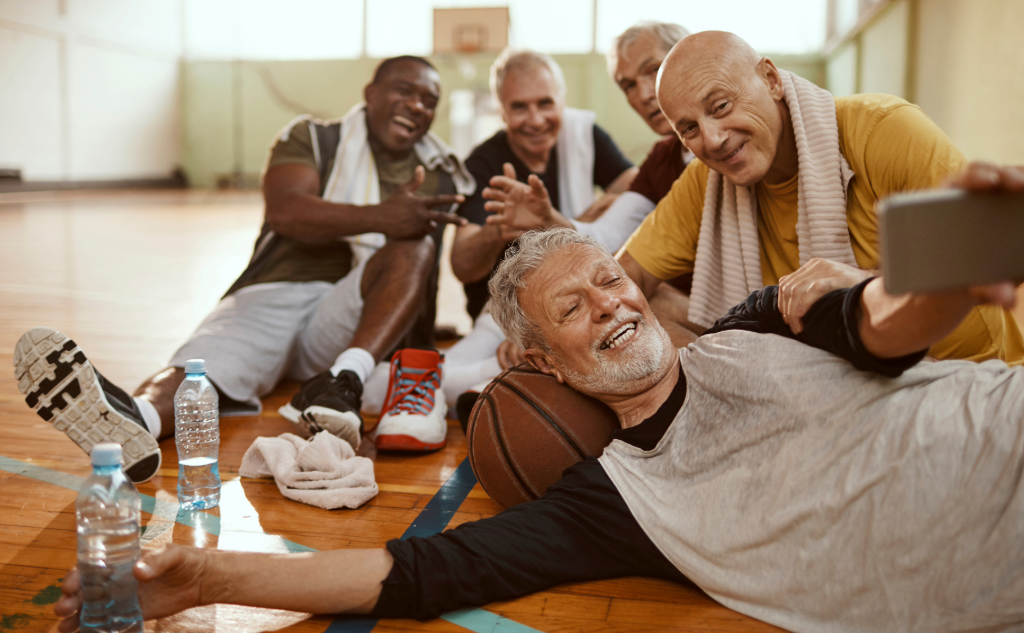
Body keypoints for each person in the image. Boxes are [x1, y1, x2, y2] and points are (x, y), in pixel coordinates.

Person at [54, 165, 1024, 632]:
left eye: (609, 280)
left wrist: (954, 266)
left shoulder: (759, 322)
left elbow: (886, 323)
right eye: (574, 304)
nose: (609, 301)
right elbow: (414, 573)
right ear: (537, 362)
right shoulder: (614, 503)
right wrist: (208, 579)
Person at [14, 56, 475, 482]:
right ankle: (135, 420)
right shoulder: (313, 137)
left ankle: (342, 382)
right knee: (198, 369)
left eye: (429, 101)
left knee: (413, 249)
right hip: (274, 291)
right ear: (370, 92)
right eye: (404, 90)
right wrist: (381, 215)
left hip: (351, 320)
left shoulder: (441, 171)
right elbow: (287, 211)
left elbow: (417, 274)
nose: (416, 105)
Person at [617, 30, 1024, 365]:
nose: (713, 139)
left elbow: (986, 259)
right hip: (833, 391)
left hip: (966, 370)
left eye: (721, 106)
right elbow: (619, 278)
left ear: (771, 80)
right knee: (651, 302)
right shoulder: (704, 181)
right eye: (688, 129)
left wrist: (863, 290)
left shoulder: (884, 130)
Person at [482, 21, 701, 348]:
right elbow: (608, 236)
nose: (643, 94)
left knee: (638, 301)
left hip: (728, 309)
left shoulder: (729, 145)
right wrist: (549, 220)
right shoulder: (660, 159)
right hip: (682, 309)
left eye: (653, 70)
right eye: (627, 85)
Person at [443, 48, 637, 404]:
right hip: (503, 315)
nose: (535, 119)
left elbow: (641, 195)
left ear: (562, 102)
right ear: (501, 110)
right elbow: (461, 264)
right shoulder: (484, 162)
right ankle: (493, 379)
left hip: (577, 302)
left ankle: (495, 385)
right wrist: (499, 230)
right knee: (442, 374)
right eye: (519, 107)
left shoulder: (583, 136)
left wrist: (575, 219)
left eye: (545, 104)